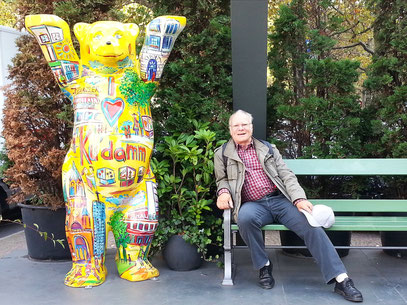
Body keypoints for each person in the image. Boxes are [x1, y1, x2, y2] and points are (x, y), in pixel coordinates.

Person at [214, 110, 363, 303]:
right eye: (236, 125)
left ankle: (341, 279)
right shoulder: (222, 154)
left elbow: (286, 174)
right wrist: (223, 192)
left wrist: (299, 199)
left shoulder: (268, 149)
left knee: (311, 226)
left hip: (279, 200)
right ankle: (264, 266)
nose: (241, 128)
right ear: (230, 129)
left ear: (251, 127)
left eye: (245, 124)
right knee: (244, 218)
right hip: (252, 204)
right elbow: (222, 179)